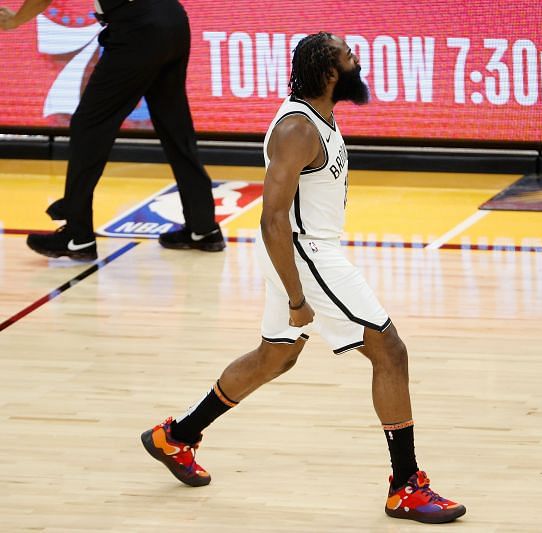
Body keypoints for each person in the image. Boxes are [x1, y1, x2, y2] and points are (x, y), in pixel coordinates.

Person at [140, 32, 466, 524]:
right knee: (389, 349)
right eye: (349, 58)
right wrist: (296, 298)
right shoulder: (298, 130)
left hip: (304, 250)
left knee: (277, 356)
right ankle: (406, 487)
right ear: (330, 74)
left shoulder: (319, 117)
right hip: (305, 251)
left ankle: (177, 435)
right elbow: (272, 218)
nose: (358, 63)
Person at [0, 0, 224, 260]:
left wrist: (15, 20)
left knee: (88, 125)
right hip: (172, 20)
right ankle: (203, 226)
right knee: (176, 127)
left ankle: (77, 234)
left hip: (138, 27)